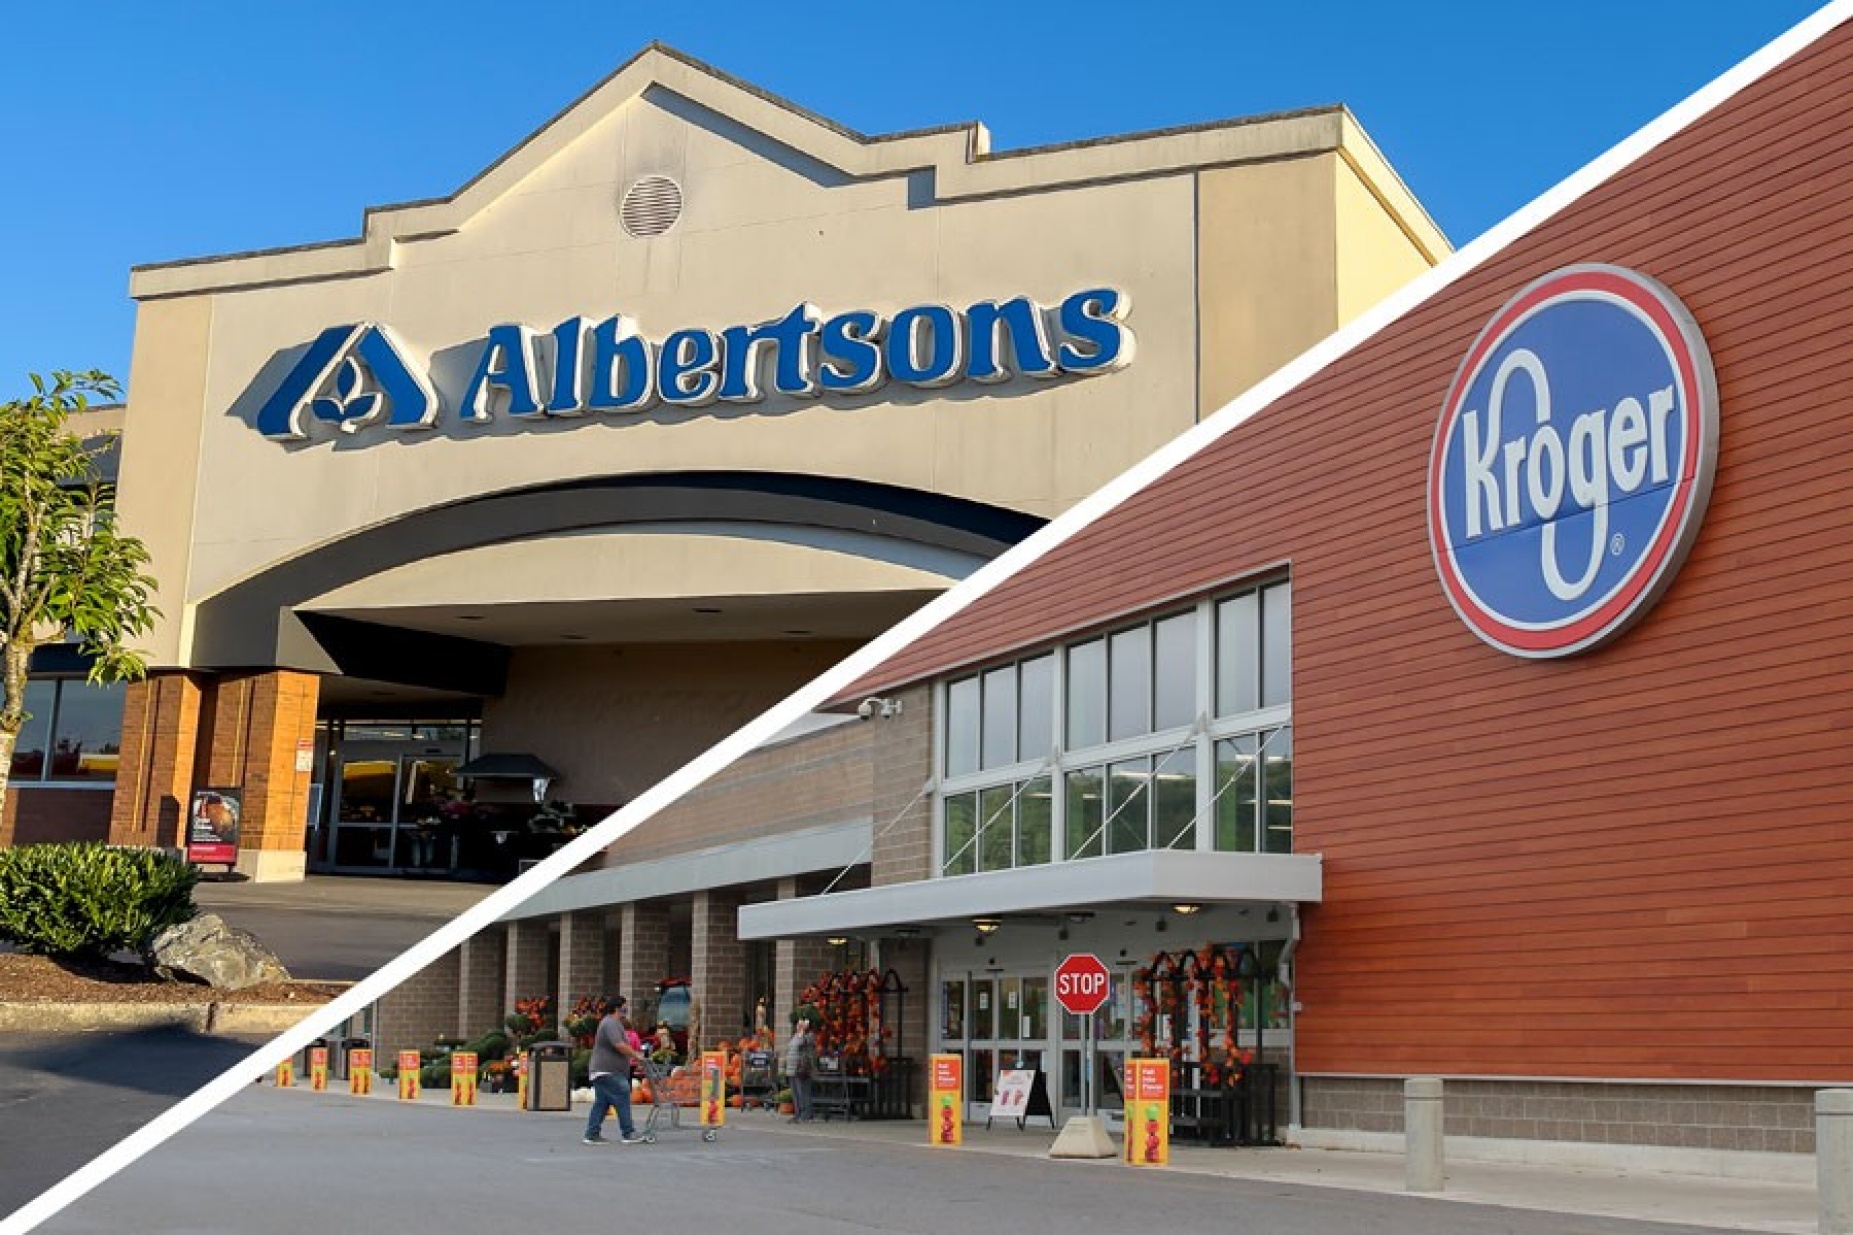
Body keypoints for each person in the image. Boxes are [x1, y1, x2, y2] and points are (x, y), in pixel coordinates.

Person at [583, 996, 644, 1145]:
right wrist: (636, 1055)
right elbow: (619, 1044)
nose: (626, 1010)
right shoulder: (610, 1023)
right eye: (624, 1007)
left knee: (602, 1103)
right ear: (617, 1008)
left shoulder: (612, 1023)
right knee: (622, 1095)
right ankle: (628, 1132)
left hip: (603, 1071)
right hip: (608, 1071)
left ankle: (592, 1134)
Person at [784, 1016, 817, 1123]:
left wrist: (804, 1031)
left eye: (801, 1024)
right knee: (795, 1093)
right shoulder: (795, 1036)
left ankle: (806, 1114)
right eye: (798, 1024)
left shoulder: (808, 1036)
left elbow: (805, 1043)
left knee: (803, 1092)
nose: (798, 1026)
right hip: (792, 1069)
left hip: (801, 1069)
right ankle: (798, 1114)